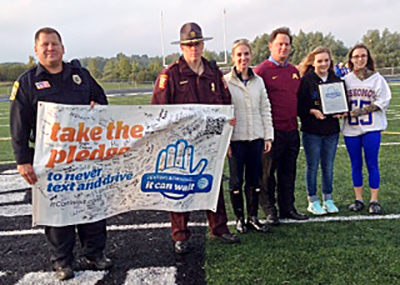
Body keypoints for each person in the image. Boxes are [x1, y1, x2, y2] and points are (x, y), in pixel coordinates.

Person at [10, 27, 112, 280]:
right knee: (58, 212)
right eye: (44, 45)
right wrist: (23, 161)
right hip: (50, 160)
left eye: (54, 44)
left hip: (86, 157)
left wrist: (96, 106)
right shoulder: (26, 83)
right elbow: (19, 127)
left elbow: (102, 102)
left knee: (91, 208)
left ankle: (95, 253)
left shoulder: (81, 75)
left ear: (63, 48)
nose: (50, 48)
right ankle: (62, 262)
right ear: (36, 51)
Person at [152, 22, 240, 254]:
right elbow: (158, 110)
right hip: (182, 144)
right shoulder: (170, 75)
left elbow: (225, 103)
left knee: (214, 186)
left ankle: (219, 228)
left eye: (197, 44)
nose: (194, 49)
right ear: (181, 47)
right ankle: (180, 235)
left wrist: (227, 136)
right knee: (181, 187)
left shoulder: (213, 71)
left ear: (203, 45)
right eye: (189, 45)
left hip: (211, 141)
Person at [255, 27, 308, 225]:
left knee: (288, 172)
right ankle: (270, 210)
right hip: (271, 132)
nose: (283, 48)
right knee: (267, 174)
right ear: (271, 46)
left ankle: (288, 207)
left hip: (292, 131)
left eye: (287, 44)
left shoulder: (294, 71)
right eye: (280, 44)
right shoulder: (262, 71)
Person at [224, 39, 273, 233]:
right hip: (236, 141)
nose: (243, 58)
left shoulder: (258, 81)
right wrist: (226, 141)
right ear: (234, 57)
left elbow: (265, 109)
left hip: (256, 139)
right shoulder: (226, 82)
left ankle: (253, 217)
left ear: (251, 56)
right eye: (239, 54)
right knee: (236, 182)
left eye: (246, 54)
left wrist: (268, 136)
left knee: (255, 180)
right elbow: (224, 114)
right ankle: (239, 219)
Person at [342, 44, 391, 214]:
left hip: (372, 127)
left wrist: (361, 111)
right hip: (351, 129)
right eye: (356, 56)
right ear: (351, 59)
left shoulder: (377, 79)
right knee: (356, 164)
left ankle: (374, 200)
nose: (359, 59)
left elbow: (383, 101)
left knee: (372, 163)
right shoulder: (346, 79)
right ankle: (359, 199)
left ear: (368, 58)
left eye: (363, 56)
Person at [298, 47, 343, 215]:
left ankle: (328, 199)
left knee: (328, 166)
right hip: (312, 131)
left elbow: (342, 102)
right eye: (320, 61)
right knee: (313, 166)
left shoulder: (336, 80)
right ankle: (313, 200)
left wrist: (340, 111)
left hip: (331, 130)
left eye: (326, 60)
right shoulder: (307, 80)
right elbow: (300, 106)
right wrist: (312, 111)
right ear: (313, 63)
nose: (323, 64)